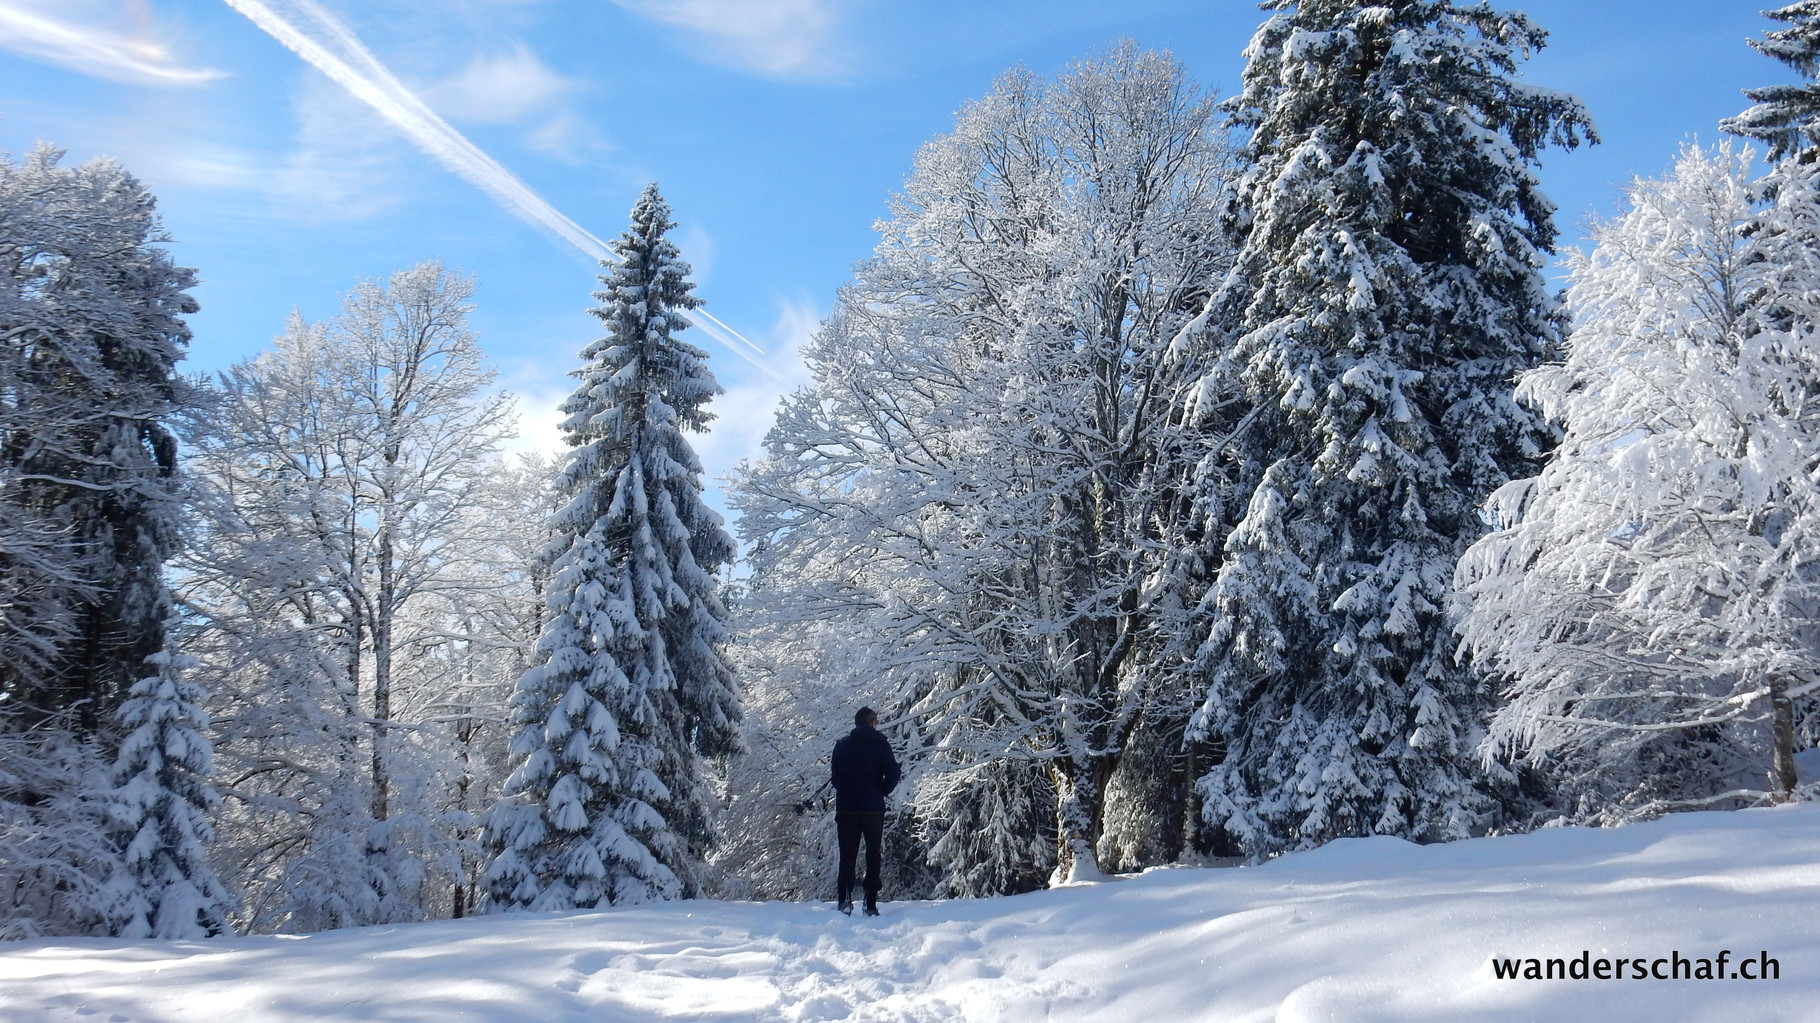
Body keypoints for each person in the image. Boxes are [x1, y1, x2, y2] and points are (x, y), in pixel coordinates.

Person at [829, 706, 901, 915]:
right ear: (871, 722)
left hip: (847, 809)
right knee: (873, 855)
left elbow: (835, 777)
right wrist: (882, 791)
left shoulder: (842, 745)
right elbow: (893, 772)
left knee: (847, 855)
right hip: (872, 809)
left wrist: (846, 791)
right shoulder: (881, 744)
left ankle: (845, 899)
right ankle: (870, 903)